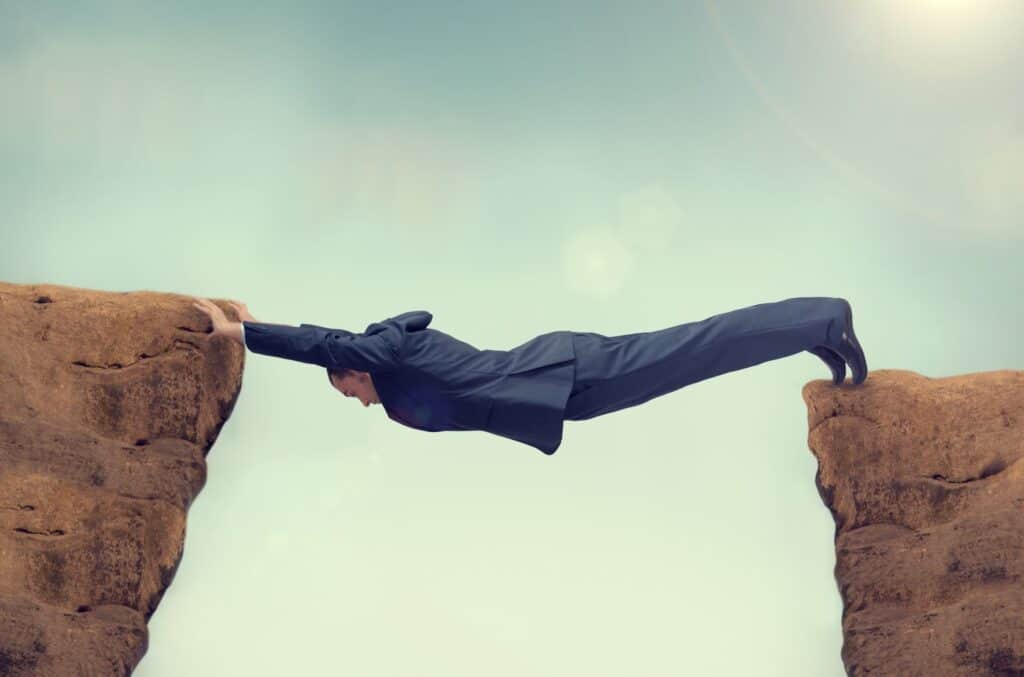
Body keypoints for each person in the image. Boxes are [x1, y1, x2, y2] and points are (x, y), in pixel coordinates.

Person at [191, 296, 867, 455]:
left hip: (567, 374)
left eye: (350, 389)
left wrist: (243, 331)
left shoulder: (385, 353)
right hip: (568, 391)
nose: (360, 401)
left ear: (354, 368)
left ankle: (826, 319)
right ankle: (815, 332)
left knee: (696, 347)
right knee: (696, 358)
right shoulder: (395, 371)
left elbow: (324, 342)